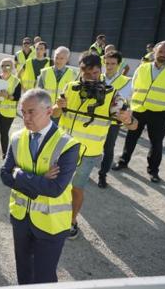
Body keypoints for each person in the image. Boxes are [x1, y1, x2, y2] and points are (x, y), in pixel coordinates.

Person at [53, 52, 137, 239]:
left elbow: (133, 125)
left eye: (95, 73)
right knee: (59, 184)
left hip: (88, 153)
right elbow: (55, 115)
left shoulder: (112, 96)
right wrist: (58, 107)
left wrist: (127, 119)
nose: (91, 77)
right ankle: (54, 216)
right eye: (86, 73)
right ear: (80, 71)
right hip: (63, 149)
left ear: (100, 71)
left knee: (77, 187)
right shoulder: (70, 87)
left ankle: (72, 221)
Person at [0, 89, 80, 285]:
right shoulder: (17, 137)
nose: (25, 117)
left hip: (51, 223)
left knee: (44, 277)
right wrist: (39, 179)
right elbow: (4, 175)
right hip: (20, 218)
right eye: (23, 111)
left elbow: (55, 189)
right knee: (24, 271)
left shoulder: (68, 144)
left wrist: (19, 174)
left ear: (48, 112)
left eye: (31, 111)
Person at [112, 41, 165, 183]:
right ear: (154, 51)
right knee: (131, 138)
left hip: (160, 112)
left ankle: (153, 171)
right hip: (139, 109)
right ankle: (123, 161)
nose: (163, 54)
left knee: (156, 142)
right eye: (160, 51)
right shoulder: (142, 68)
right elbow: (134, 87)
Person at [97, 51, 132, 188]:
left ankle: (102, 175)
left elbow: (118, 102)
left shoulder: (126, 82)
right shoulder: (97, 77)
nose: (109, 66)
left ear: (119, 65)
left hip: (112, 122)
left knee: (108, 148)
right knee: (87, 146)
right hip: (95, 119)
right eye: (107, 63)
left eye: (113, 64)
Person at [37, 46, 77, 111]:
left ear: (67, 59)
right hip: (46, 110)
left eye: (61, 58)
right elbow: (39, 93)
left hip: (63, 111)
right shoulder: (44, 72)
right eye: (56, 57)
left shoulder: (74, 75)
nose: (58, 60)